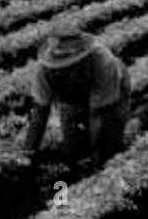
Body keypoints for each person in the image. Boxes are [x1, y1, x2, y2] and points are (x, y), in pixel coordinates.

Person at [23, 20, 130, 166]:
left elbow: (98, 116)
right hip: (72, 97)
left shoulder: (103, 62)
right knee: (74, 148)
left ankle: (139, 119)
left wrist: (96, 164)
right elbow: (39, 114)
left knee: (109, 145)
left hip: (111, 90)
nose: (64, 69)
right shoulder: (44, 70)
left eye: (69, 64)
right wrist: (27, 155)